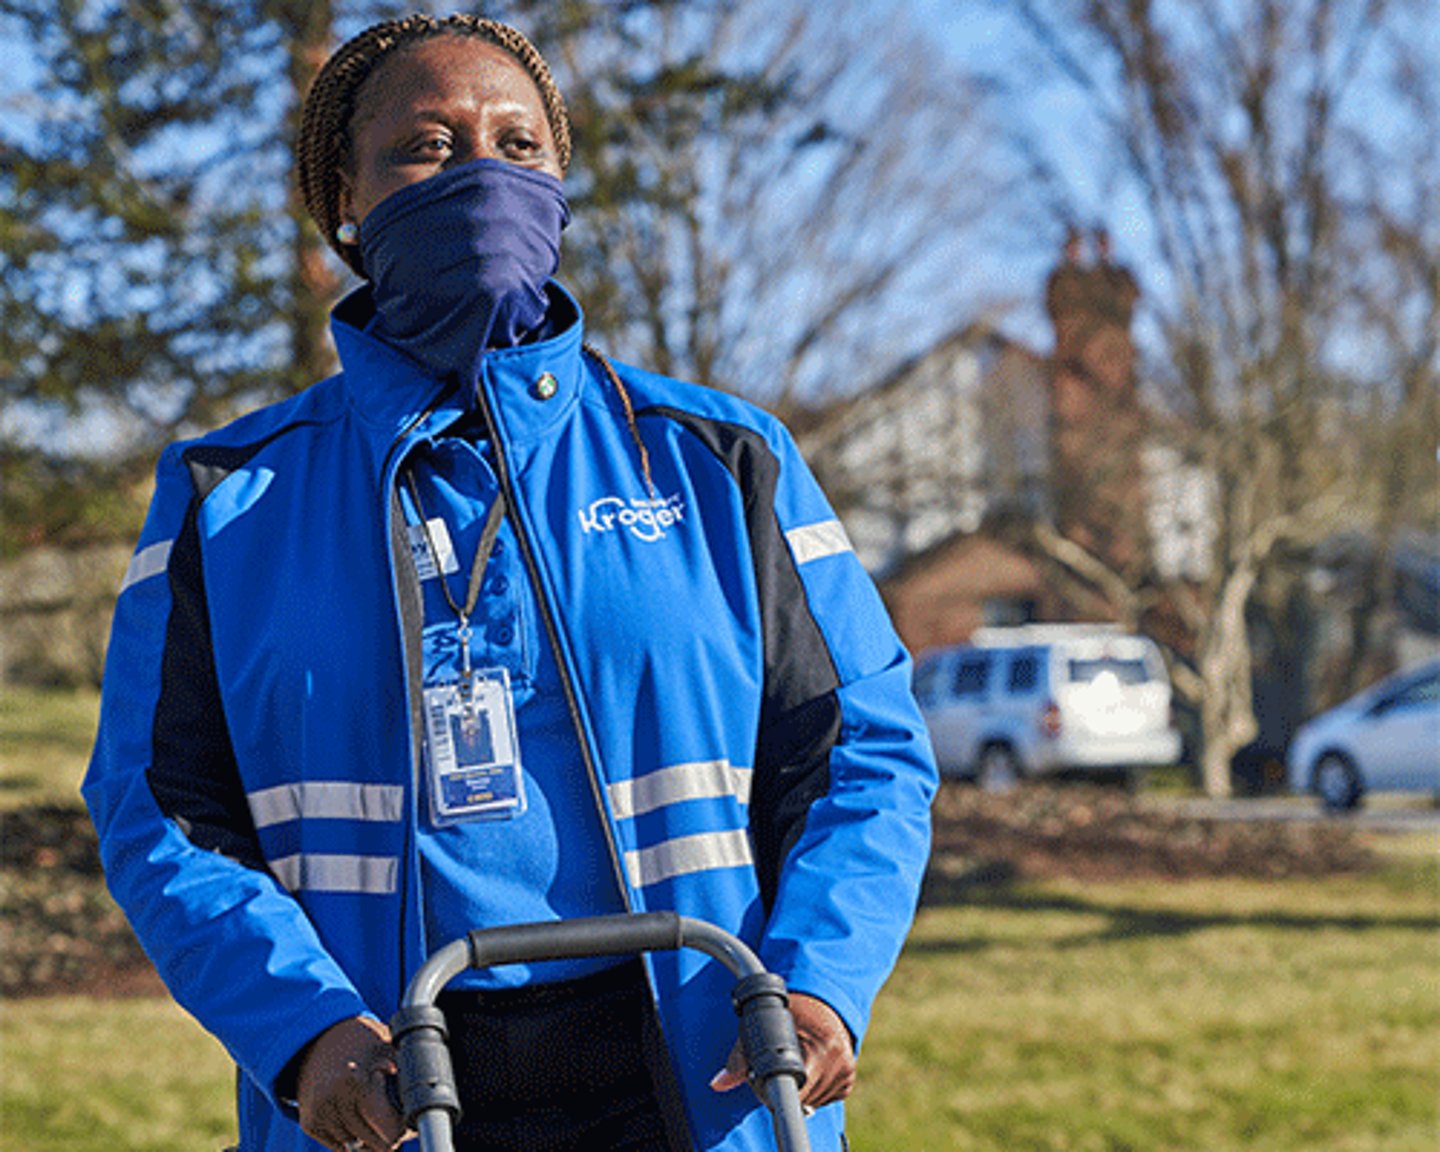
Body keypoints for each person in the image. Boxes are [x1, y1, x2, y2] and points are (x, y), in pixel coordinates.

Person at [83, 13, 937, 1152]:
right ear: (345, 197)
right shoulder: (224, 498)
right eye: (428, 148)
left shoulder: (722, 458)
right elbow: (158, 809)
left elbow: (863, 753)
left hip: (705, 1070)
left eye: (517, 146)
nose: (480, 176)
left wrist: (821, 977)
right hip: (382, 1083)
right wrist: (300, 1028)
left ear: (562, 181)